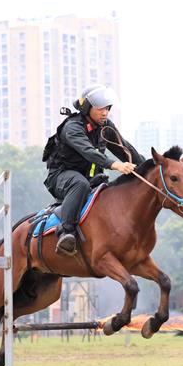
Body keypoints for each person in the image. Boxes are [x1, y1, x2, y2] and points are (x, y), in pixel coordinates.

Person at [43, 84, 144, 256]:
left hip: (91, 179)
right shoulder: (72, 128)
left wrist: (150, 167)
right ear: (87, 108)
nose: (105, 113)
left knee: (112, 190)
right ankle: (66, 232)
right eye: (100, 109)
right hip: (61, 177)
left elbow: (125, 148)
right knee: (79, 184)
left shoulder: (106, 127)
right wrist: (115, 165)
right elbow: (89, 153)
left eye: (107, 108)